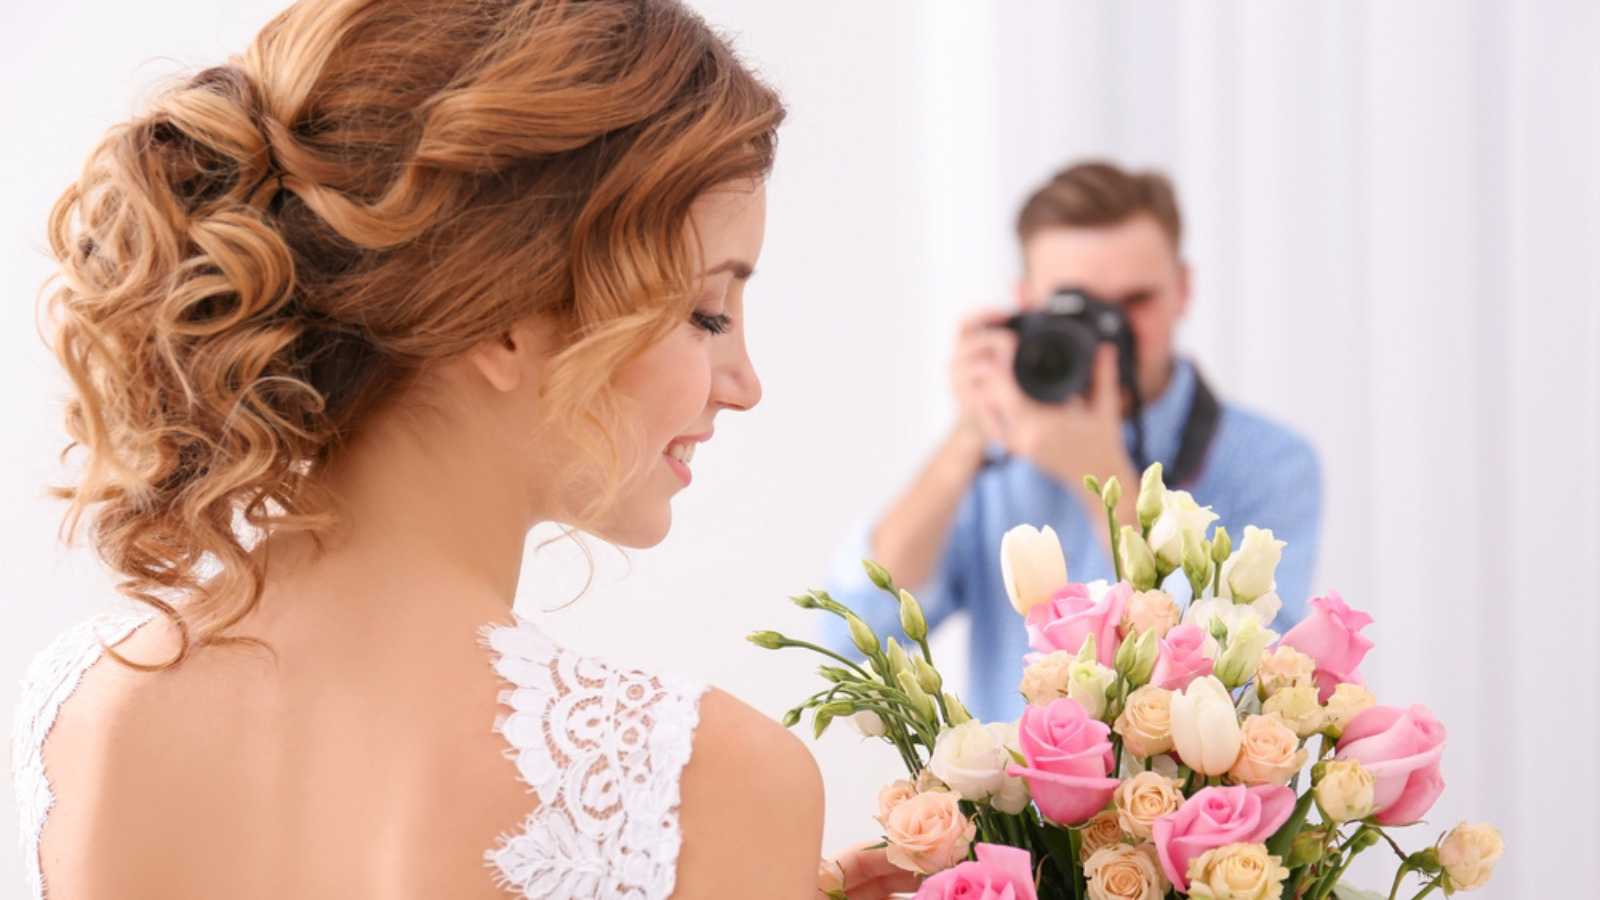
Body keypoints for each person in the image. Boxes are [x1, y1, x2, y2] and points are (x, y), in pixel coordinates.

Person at [9, 2, 917, 898]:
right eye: (705, 314)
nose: (743, 381)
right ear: (507, 317)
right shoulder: (703, 782)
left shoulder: (89, 703)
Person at [825, 161, 1322, 724]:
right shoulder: (999, 456)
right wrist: (967, 436)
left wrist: (1106, 483)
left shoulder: (1269, 462)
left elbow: (1245, 689)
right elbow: (851, 630)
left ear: (1183, 289)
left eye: (1135, 302)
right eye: (1079, 307)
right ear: (1025, 305)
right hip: (1010, 810)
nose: (1111, 334)